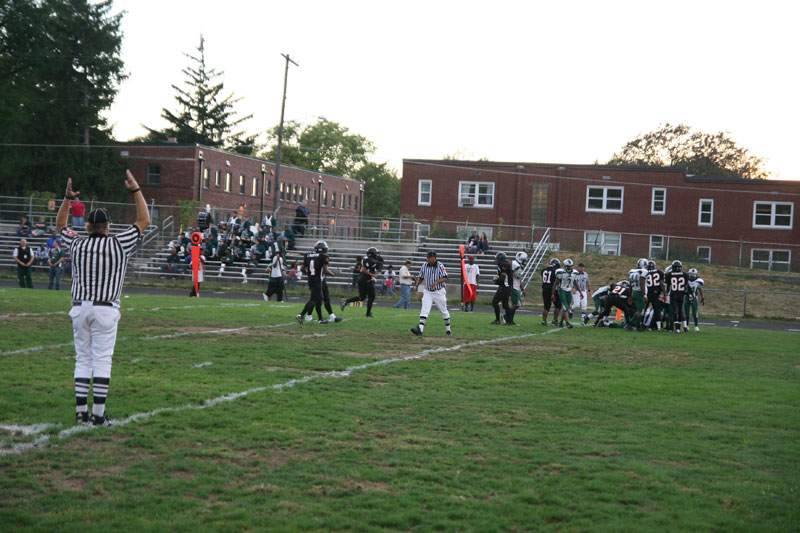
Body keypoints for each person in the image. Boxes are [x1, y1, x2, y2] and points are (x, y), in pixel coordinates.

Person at [57, 171, 150, 426]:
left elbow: (61, 226)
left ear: (87, 226)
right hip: (105, 309)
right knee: (102, 359)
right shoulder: (118, 244)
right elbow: (144, 220)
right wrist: (135, 190)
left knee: (83, 359)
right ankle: (98, 414)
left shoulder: (77, 244)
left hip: (79, 308)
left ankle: (81, 412)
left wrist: (67, 198)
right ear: (108, 226)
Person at [410, 251, 451, 337]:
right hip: (428, 291)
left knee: (444, 311)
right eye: (427, 258)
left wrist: (437, 282)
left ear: (434, 258)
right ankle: (420, 329)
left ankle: (448, 329)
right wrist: (417, 286)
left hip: (439, 291)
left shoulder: (440, 266)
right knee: (425, 309)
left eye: (429, 258)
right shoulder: (424, 265)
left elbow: (445, 277)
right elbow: (421, 278)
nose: (427, 259)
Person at [341, 247, 381, 318]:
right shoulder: (370, 260)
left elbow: (371, 269)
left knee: (362, 297)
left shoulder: (368, 259)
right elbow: (363, 270)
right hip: (366, 280)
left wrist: (374, 273)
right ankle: (368, 314)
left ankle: (346, 301)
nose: (377, 255)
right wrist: (372, 275)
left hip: (362, 280)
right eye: (376, 253)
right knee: (371, 296)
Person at [665, 260, 690, 333]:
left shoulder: (669, 274)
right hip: (681, 295)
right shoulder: (685, 275)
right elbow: (686, 286)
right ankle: (679, 328)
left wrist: (666, 294)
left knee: (675, 312)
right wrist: (688, 294)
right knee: (680, 311)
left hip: (673, 294)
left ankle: (677, 328)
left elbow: (668, 286)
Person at [552, 259, 578, 328]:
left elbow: (575, 283)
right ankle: (567, 323)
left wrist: (580, 292)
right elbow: (555, 283)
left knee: (566, 308)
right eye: (568, 266)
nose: (569, 267)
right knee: (565, 308)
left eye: (570, 266)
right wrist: (553, 294)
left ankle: (561, 322)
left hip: (569, 291)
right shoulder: (560, 272)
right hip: (562, 290)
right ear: (565, 266)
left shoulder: (574, 273)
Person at [491, 252, 514, 325]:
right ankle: (509, 321)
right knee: (505, 305)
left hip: (504, 287)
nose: (496, 260)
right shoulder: (505, 264)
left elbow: (503, 278)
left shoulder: (503, 265)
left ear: (500, 259)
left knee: (495, 303)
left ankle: (498, 320)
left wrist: (496, 279)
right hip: (507, 287)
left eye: (497, 259)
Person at [628, 258, 649, 330]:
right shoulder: (644, 271)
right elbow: (642, 282)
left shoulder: (632, 271)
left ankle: (638, 326)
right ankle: (630, 324)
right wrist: (644, 295)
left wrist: (630, 295)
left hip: (634, 292)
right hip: (640, 293)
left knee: (638, 310)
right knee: (641, 311)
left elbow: (630, 284)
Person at [644, 260, 666, 331]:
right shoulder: (660, 272)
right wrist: (664, 293)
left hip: (647, 292)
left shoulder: (645, 272)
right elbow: (662, 284)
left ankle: (641, 324)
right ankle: (659, 327)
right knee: (656, 310)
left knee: (644, 309)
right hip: (656, 293)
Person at [540, 258, 561, 326]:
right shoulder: (555, 271)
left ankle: (544, 321)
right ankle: (555, 320)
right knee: (558, 305)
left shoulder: (543, 270)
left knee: (546, 306)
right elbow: (557, 280)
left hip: (544, 289)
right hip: (553, 289)